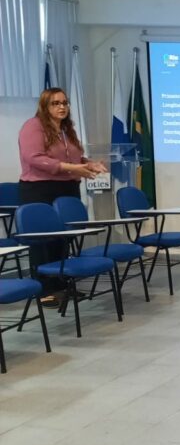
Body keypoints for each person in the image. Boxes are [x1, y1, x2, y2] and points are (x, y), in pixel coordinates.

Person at [17, 88, 106, 303]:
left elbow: (74, 158)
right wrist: (73, 168)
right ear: (44, 106)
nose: (62, 107)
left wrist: (88, 164)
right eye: (55, 103)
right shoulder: (33, 126)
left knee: (63, 238)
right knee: (43, 241)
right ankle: (44, 290)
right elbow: (34, 158)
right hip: (40, 189)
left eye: (65, 103)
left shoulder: (66, 129)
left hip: (67, 188)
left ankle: (62, 285)